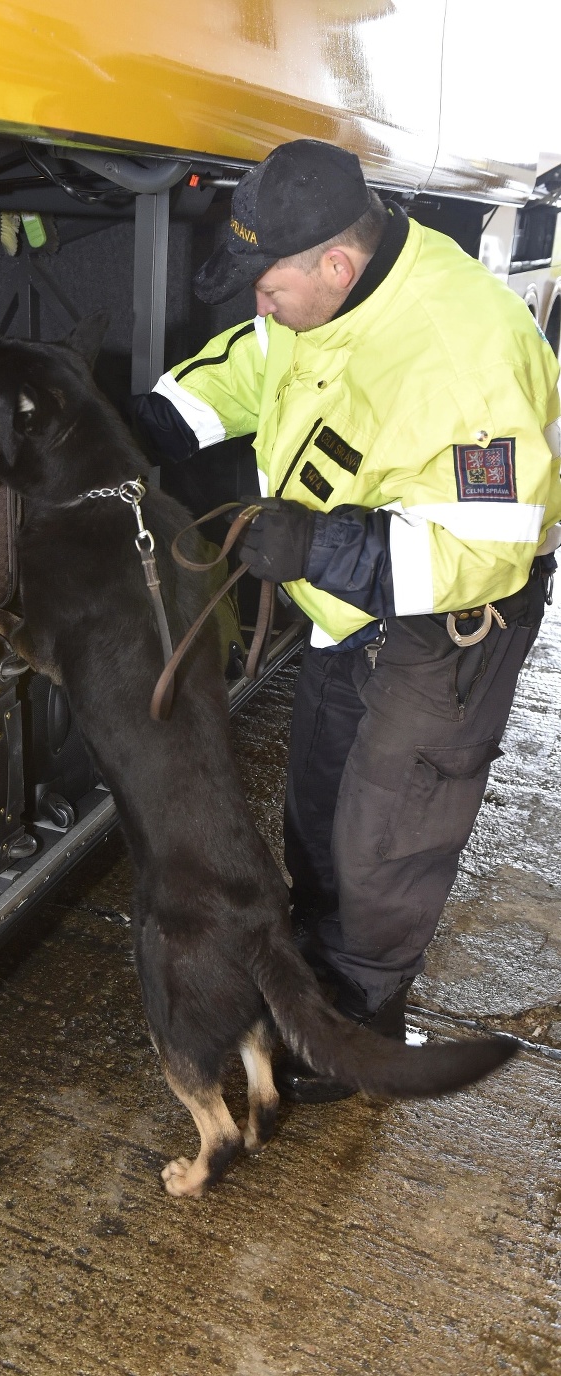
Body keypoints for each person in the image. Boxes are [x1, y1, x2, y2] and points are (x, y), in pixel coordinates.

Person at [134, 138, 561, 1102]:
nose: (259, 302)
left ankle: (359, 1030)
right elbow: (252, 365)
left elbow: (490, 543)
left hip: (447, 623)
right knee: (319, 811)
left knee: (385, 837)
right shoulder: (316, 300)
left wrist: (331, 550)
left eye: (268, 284)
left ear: (336, 262)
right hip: (348, 615)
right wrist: (152, 424)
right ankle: (314, 990)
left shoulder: (463, 353)